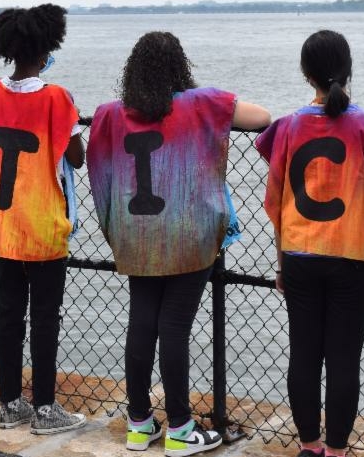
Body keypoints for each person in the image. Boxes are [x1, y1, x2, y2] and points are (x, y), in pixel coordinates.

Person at [87, 32, 270, 456]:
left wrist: (114, 230)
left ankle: (139, 425)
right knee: (174, 328)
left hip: (137, 235)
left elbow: (98, 169)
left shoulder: (110, 114)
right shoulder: (201, 103)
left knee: (141, 323)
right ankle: (181, 430)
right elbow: (262, 117)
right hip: (189, 237)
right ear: (179, 68)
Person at [255, 30, 364, 457]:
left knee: (303, 355)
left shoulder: (288, 127)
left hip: (299, 253)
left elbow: (279, 205)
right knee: (344, 359)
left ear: (306, 74)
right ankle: (338, 450)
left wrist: (281, 264)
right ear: (348, 69)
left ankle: (309, 445)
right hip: (352, 257)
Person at [0, 3, 87, 435]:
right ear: (46, 48)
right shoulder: (56, 97)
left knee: (9, 316)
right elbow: (77, 156)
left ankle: (10, 403)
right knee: (45, 319)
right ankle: (46, 408)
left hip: (2, 222)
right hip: (42, 223)